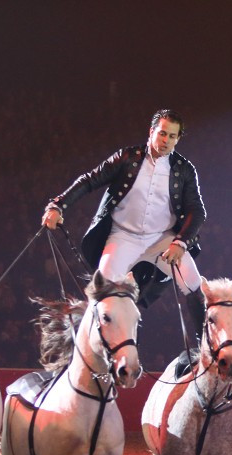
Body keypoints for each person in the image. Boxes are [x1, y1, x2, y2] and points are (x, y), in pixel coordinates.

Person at [42, 109, 207, 337]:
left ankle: (204, 349)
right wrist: (59, 204)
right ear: (151, 132)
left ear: (178, 139)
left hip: (163, 239)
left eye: (172, 136)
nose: (166, 140)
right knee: (101, 291)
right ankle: (87, 352)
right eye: (162, 134)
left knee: (192, 281)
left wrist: (180, 243)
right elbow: (90, 180)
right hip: (123, 237)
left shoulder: (185, 169)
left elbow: (197, 211)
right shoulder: (127, 157)